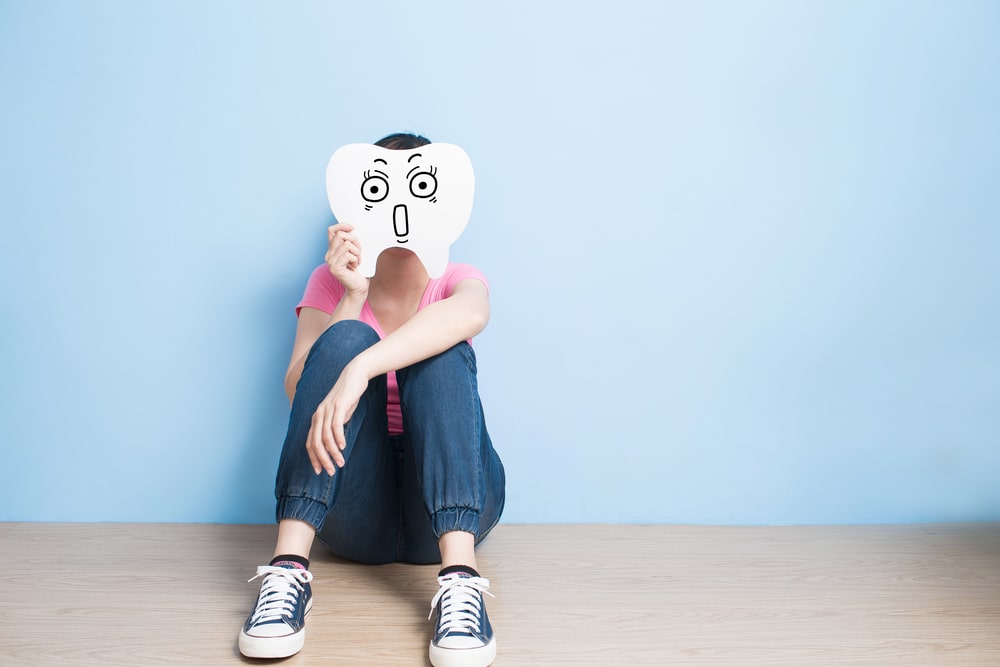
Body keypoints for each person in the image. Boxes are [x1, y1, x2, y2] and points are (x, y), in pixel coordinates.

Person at [238, 132, 506, 667]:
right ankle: (288, 571)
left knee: (440, 350)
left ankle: (461, 581)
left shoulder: (456, 279)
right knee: (343, 338)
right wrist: (352, 298)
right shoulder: (328, 283)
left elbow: (472, 315)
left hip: (455, 499)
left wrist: (364, 367)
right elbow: (299, 390)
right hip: (355, 506)